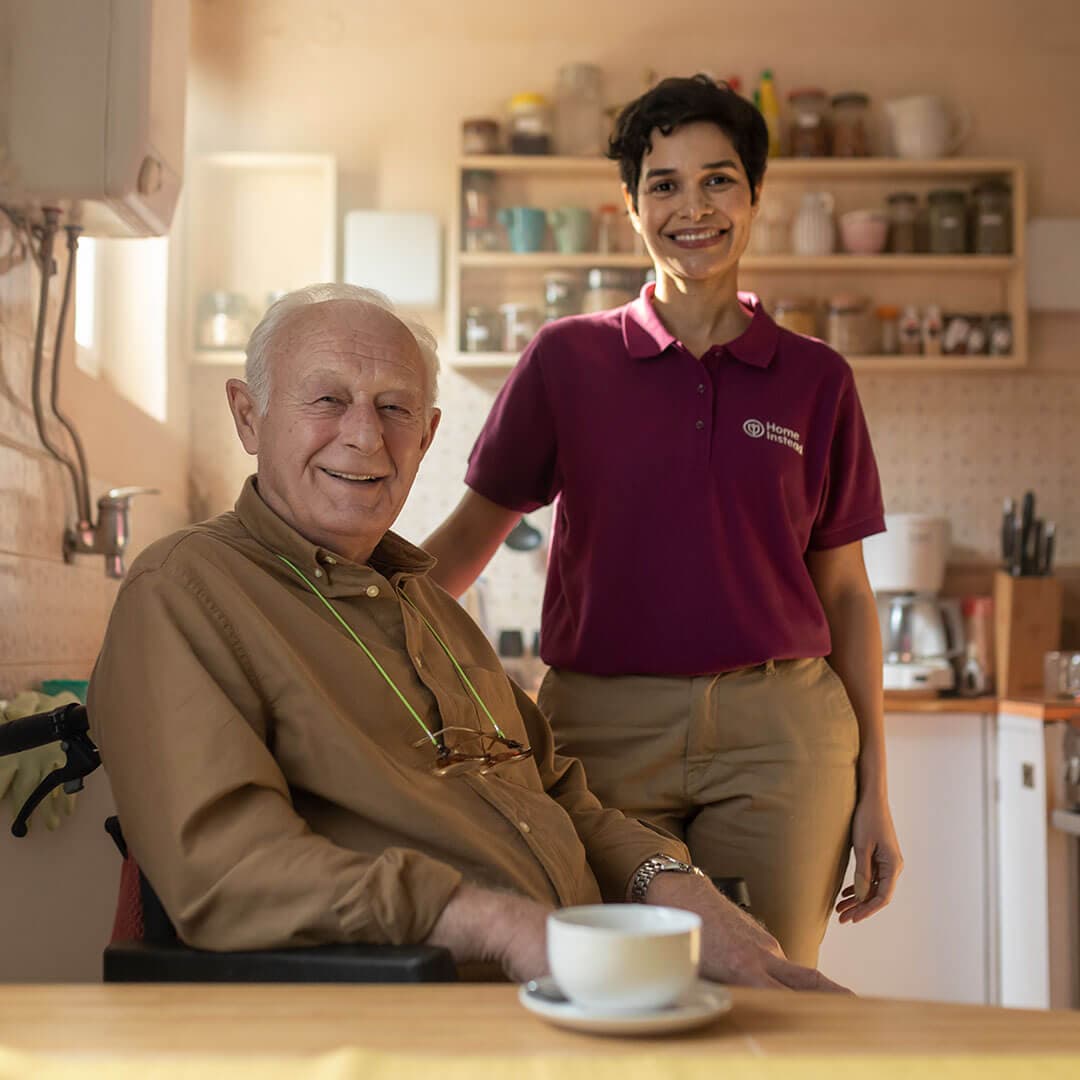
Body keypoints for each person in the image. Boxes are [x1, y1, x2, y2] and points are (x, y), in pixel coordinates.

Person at [88, 282, 843, 991]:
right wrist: (495, 924)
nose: (364, 436)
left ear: (428, 437)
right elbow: (228, 871)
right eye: (327, 399)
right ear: (248, 416)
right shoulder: (187, 590)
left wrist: (676, 886)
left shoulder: (433, 608)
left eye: (395, 409)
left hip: (575, 989)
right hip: (422, 1010)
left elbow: (556, 794)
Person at [423, 76, 902, 967]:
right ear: (630, 206)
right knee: (613, 983)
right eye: (665, 184)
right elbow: (464, 542)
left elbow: (845, 594)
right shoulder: (566, 360)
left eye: (719, 180)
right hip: (599, 737)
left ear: (756, 197)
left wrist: (878, 786)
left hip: (782, 739)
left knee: (767, 991)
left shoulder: (817, 379)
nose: (694, 207)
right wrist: (339, 632)